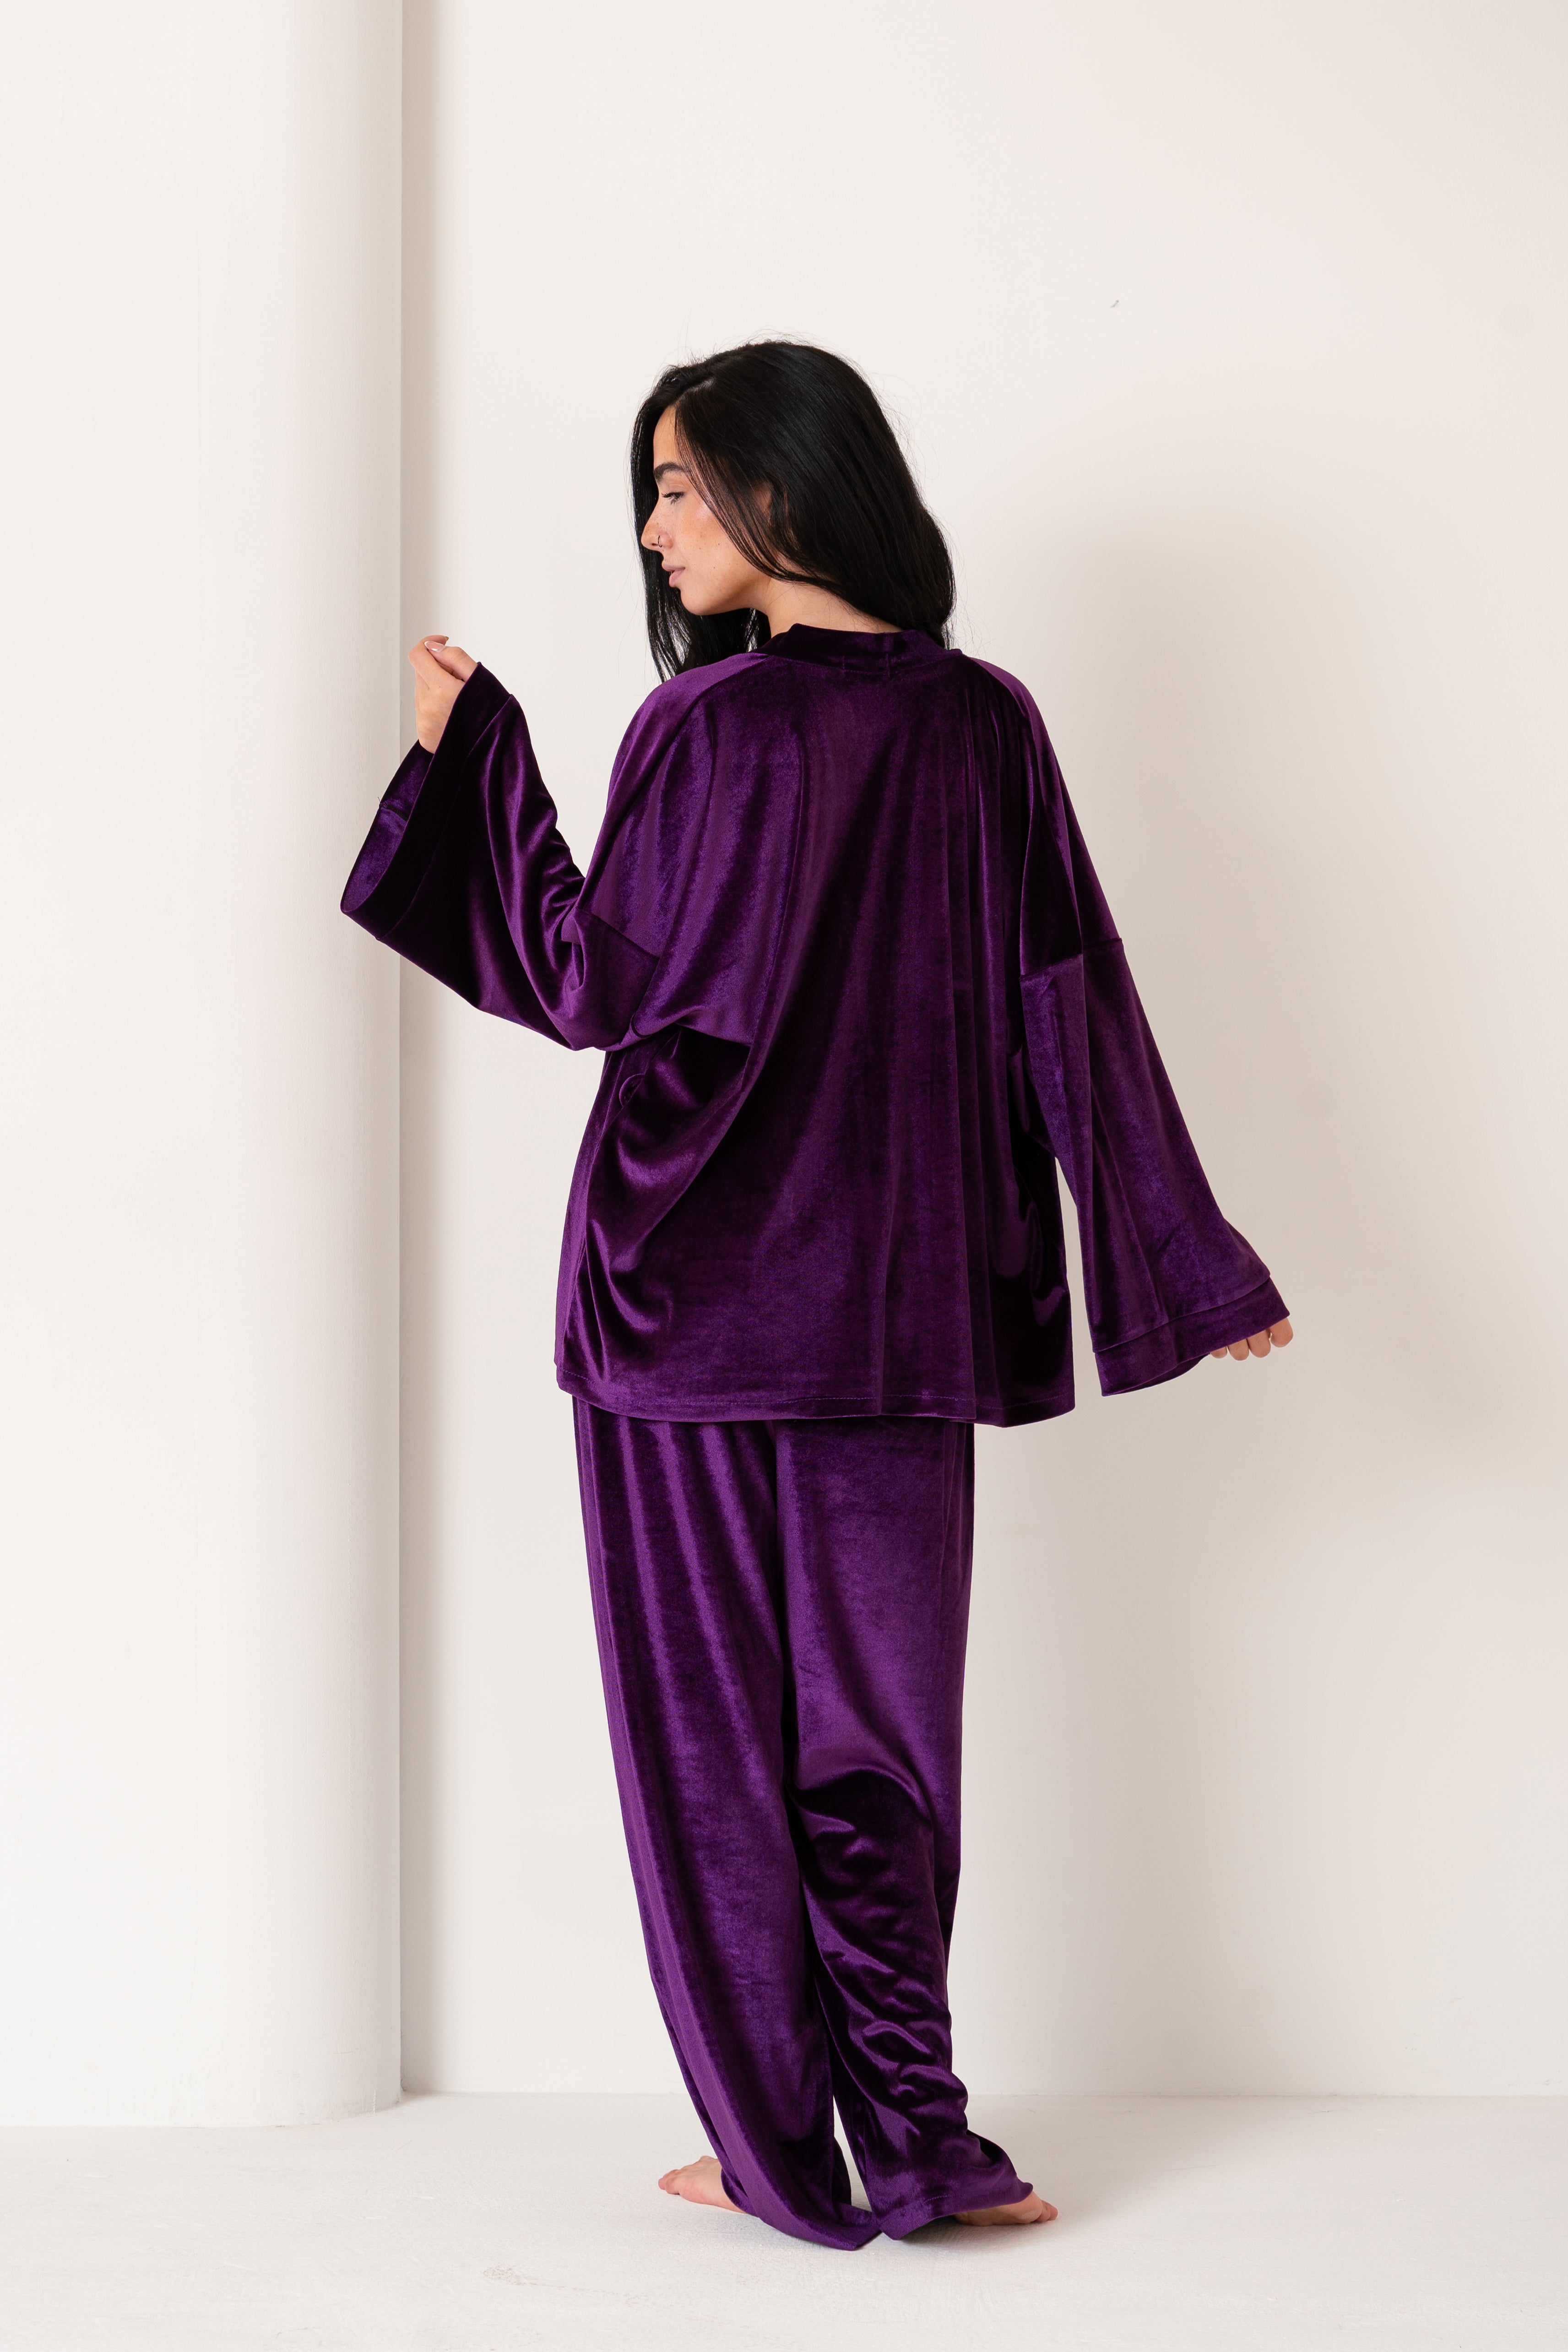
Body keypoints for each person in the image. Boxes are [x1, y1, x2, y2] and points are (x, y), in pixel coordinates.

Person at [341, 340, 1291, 2252]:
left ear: (784, 485)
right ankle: (920, 2143)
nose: (652, 525)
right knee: (880, 1746)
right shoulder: (985, 723)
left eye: (679, 484)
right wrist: (1183, 1263)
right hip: (898, 1319)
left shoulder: (702, 730)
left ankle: (781, 2149)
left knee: (715, 1752)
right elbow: (1070, 995)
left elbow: (589, 983)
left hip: (676, 1308)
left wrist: (476, 757)